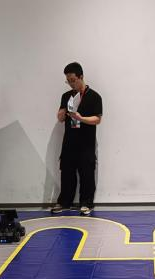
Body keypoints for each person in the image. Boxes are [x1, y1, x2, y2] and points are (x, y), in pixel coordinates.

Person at [51, 62, 103, 216]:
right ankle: (64, 202)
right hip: (69, 141)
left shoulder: (94, 96)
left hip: (86, 142)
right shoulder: (66, 96)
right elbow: (61, 117)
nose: (71, 84)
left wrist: (81, 118)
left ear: (81, 77)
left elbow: (97, 119)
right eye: (68, 81)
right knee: (66, 173)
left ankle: (86, 203)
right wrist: (61, 113)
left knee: (87, 173)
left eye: (73, 80)